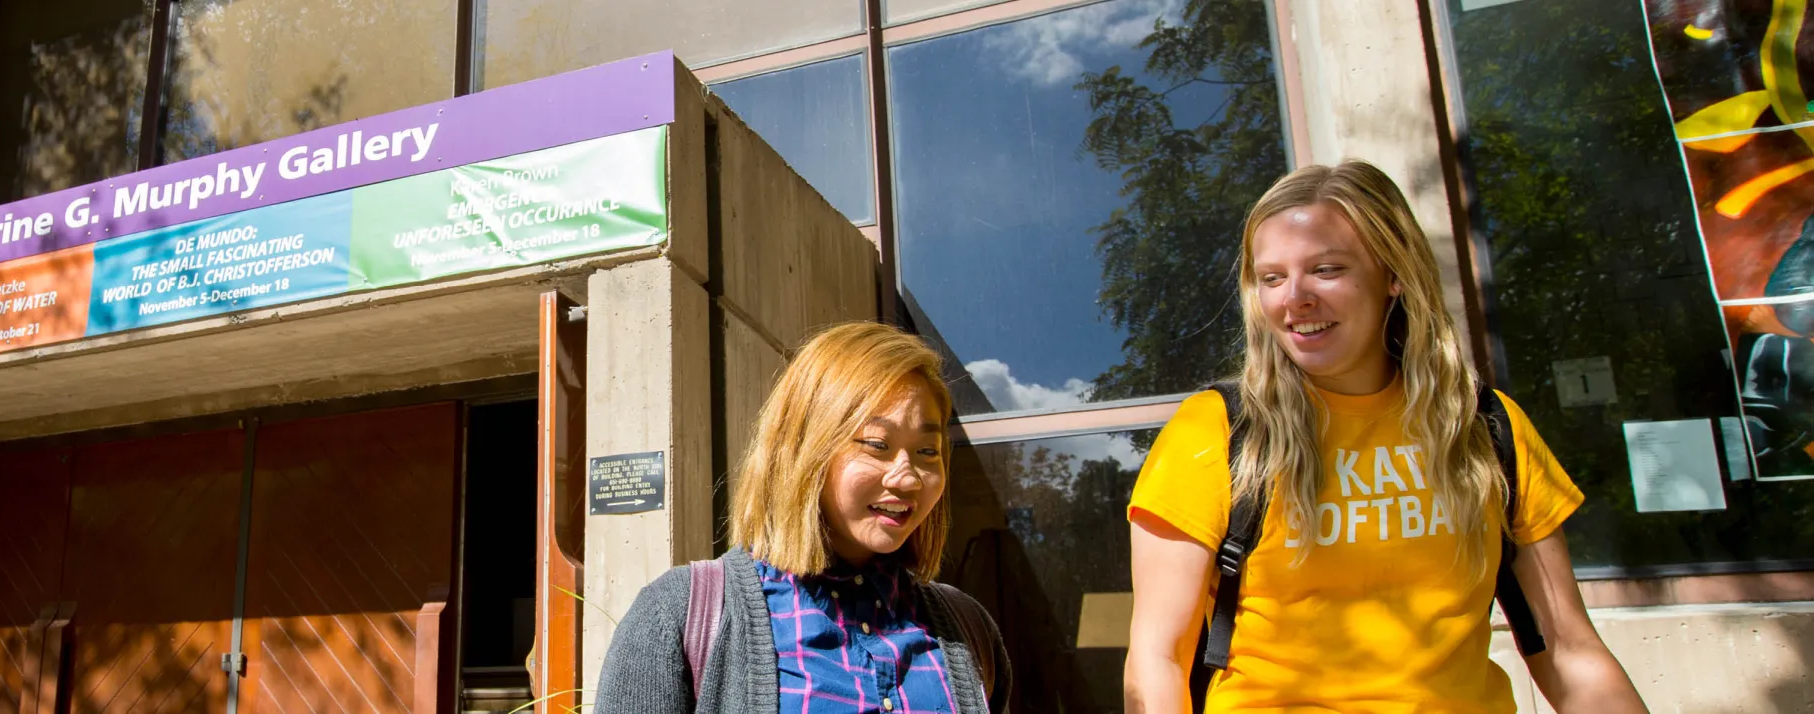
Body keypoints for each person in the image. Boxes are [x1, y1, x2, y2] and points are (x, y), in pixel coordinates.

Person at [1121, 161, 1647, 712]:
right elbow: (1158, 659)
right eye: (1271, 278)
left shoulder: (1484, 427)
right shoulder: (1217, 431)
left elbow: (1568, 651)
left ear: (1393, 275)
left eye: (1325, 269)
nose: (1293, 298)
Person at [595, 321, 1011, 713]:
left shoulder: (966, 629)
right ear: (804, 451)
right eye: (877, 444)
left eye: (927, 452)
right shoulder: (676, 615)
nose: (907, 479)